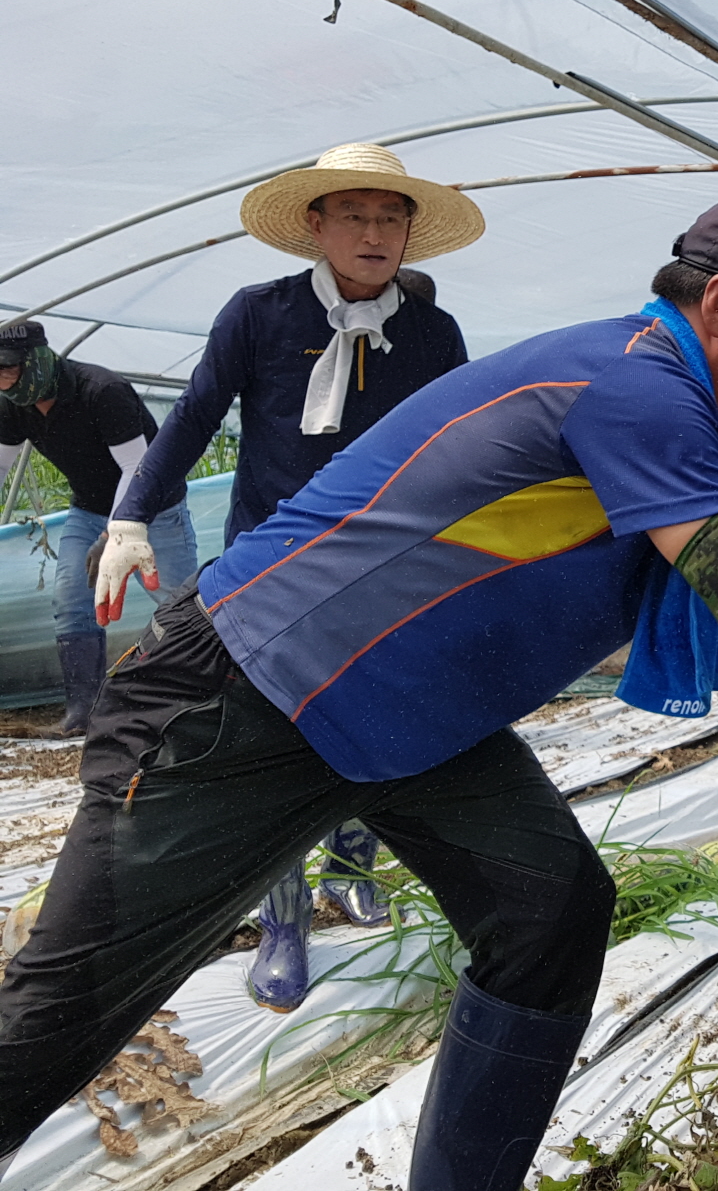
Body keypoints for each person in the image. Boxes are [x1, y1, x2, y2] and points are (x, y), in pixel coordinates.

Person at [0, 195, 718, 1191]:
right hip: (243, 698)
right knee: (60, 1020)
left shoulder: (713, 425)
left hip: (406, 721)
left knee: (548, 915)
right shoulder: (633, 385)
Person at [100, 142, 478, 1014]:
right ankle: (280, 918)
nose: (376, 233)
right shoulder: (259, 315)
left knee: (376, 712)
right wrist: (129, 517)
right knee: (276, 731)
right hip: (271, 556)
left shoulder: (431, 333)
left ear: (410, 233)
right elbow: (194, 417)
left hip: (387, 560)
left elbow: (463, 444)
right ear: (317, 225)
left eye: (392, 218)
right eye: (356, 215)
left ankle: (350, 865)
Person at [0, 322, 199, 734]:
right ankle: (83, 714)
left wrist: (115, 534)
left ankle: (198, 702)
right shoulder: (12, 405)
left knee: (179, 601)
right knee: (72, 598)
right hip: (88, 507)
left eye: (8, 368)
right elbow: (0, 465)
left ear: (35, 361)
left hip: (153, 508)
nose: (2, 380)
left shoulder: (102, 391)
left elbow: (137, 469)